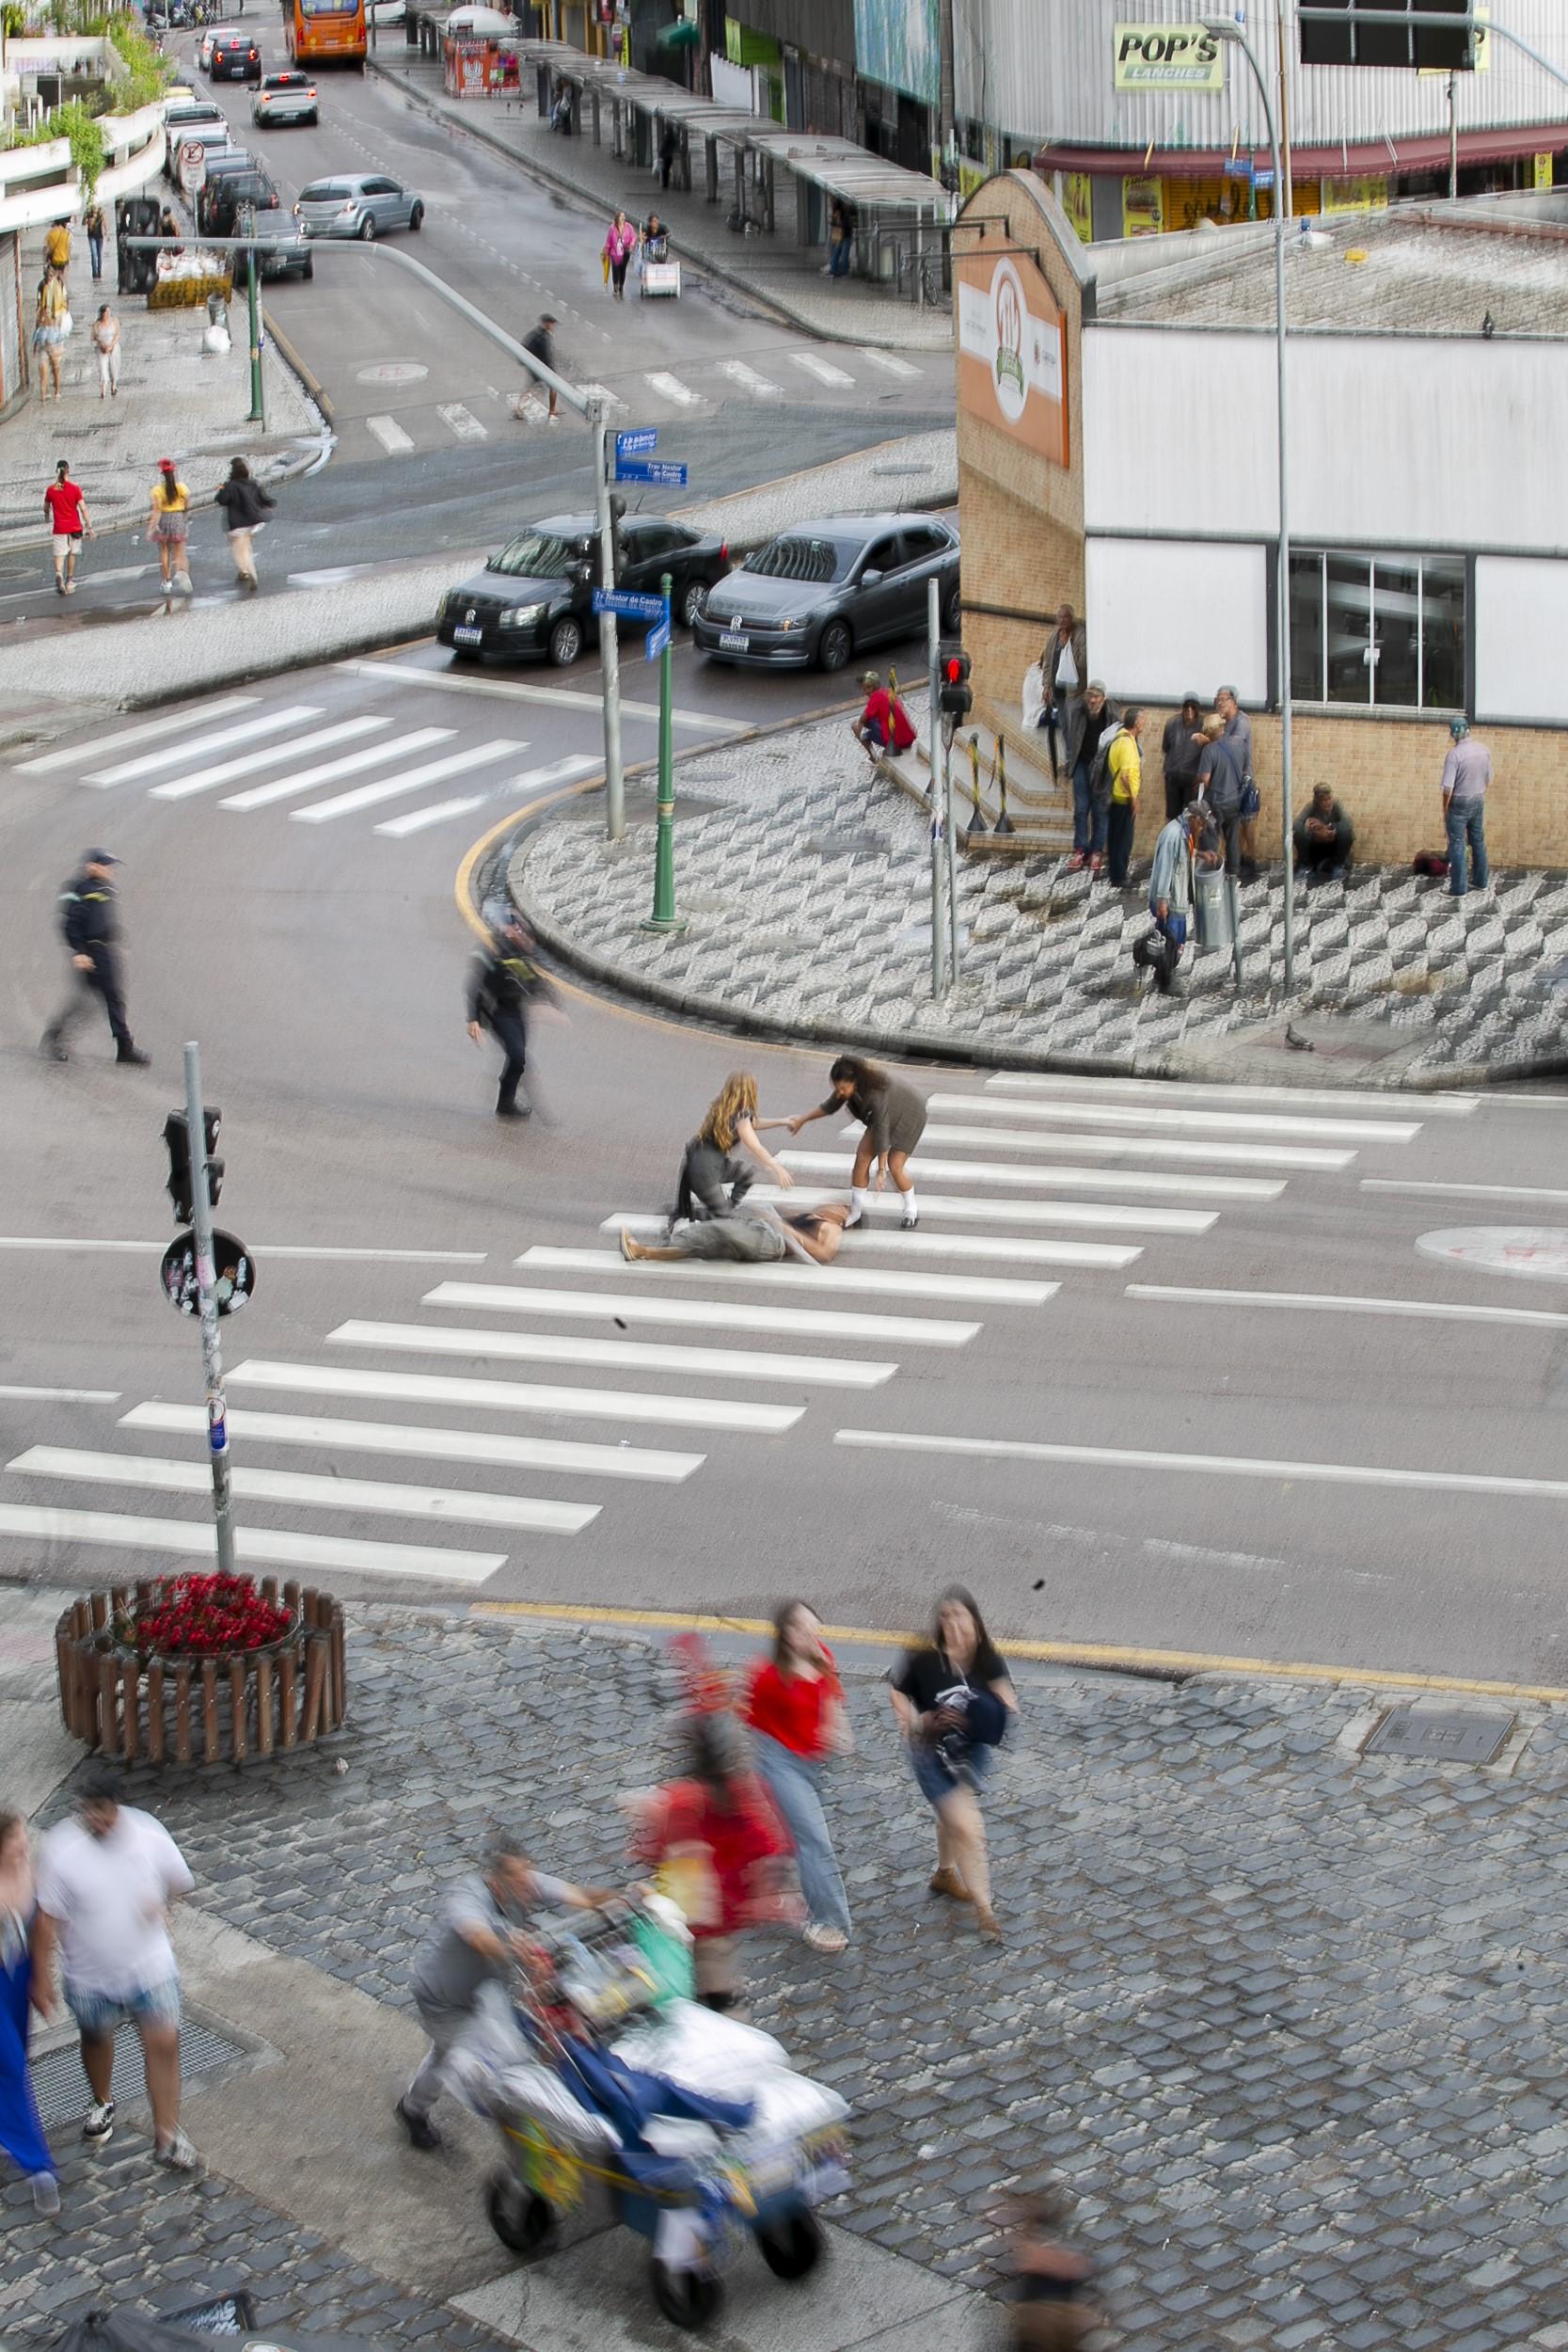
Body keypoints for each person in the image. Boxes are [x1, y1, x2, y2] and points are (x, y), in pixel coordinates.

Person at [398, 1831, 615, 2150]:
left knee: (496, 2051)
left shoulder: (526, 1881)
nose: (528, 1886)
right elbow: (477, 1936)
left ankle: (413, 2107)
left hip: (484, 1993)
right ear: (496, 1881)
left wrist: (624, 1897)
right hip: (442, 1998)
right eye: (518, 1878)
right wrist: (514, 1951)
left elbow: (580, 1896)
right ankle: (415, 2111)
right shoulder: (468, 1896)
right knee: (471, 2068)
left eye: (528, 1873)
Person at [33, 1766, 198, 2171]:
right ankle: (103, 2100)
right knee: (95, 2037)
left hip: (150, 1967)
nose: (97, 1818)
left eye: (104, 1810)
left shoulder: (149, 1835)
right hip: (90, 1975)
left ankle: (166, 2136)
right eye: (89, 1810)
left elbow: (179, 1882)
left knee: (163, 2042)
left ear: (118, 1806)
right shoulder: (61, 1849)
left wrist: (161, 1903)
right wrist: (41, 1975)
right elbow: (46, 1917)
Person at [626, 1709, 794, 2013]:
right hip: (721, 1920)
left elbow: (650, 1850)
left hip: (684, 1916)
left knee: (695, 1993)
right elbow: (770, 1845)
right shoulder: (743, 1795)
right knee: (721, 1991)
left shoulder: (679, 1800)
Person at [888, 1588, 1016, 1943]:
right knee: (969, 1828)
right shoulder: (924, 1659)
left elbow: (1004, 1698)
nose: (952, 1623)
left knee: (951, 1820)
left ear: (975, 1621)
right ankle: (986, 1912)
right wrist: (913, 1719)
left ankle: (945, 1875)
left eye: (959, 1616)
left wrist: (998, 1707)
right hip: (929, 1753)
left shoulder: (987, 1659)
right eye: (945, 1617)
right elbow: (897, 1690)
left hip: (970, 1752)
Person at [742, 1603, 853, 1955]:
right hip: (781, 1764)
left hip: (812, 1762)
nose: (813, 1636)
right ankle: (829, 1920)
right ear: (787, 1635)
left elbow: (833, 1696)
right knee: (815, 1843)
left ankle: (763, 1879)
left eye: (815, 1628)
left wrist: (837, 1731)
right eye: (805, 1630)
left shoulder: (821, 1657)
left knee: (796, 1837)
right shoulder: (767, 1676)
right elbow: (748, 1723)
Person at [785, 1054, 927, 1231]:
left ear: (855, 1081)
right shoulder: (847, 1089)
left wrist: (881, 1170)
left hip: (909, 1115)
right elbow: (829, 1106)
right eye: (837, 1089)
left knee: (895, 1165)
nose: (840, 1093)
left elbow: (882, 1130)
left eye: (843, 1088)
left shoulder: (876, 1095)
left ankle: (911, 1209)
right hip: (882, 1118)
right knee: (862, 1157)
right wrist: (802, 1120)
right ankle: (856, 1212)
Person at [39, 849, 150, 1067]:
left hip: (106, 952)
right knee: (87, 1003)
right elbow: (70, 924)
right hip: (90, 952)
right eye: (106, 865)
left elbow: (103, 920)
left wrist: (116, 941)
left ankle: (124, 1049)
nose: (111, 870)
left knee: (114, 998)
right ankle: (55, 1039)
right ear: (92, 866)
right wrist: (79, 951)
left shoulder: (106, 888)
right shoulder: (79, 889)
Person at [0, 1810, 58, 2215]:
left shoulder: (29, 1872)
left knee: (17, 2052)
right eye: (15, 1839)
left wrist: (41, 1978)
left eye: (23, 1836)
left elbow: (42, 1928)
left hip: (17, 1977)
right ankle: (37, 2165)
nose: (24, 1844)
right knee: (11, 2065)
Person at [667, 1070, 796, 1226]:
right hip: (705, 1172)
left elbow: (752, 1123)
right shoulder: (739, 1116)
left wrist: (782, 1121)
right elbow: (755, 1146)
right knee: (722, 1219)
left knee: (747, 1173)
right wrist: (776, 1167)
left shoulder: (723, 1107)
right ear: (750, 1091)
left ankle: (726, 1208)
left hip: (700, 1162)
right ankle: (696, 1216)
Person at [466, 909, 556, 1120]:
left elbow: (533, 980)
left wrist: (549, 1002)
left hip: (516, 1010)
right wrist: (474, 1019)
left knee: (519, 1058)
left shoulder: (521, 953)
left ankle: (506, 1102)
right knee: (517, 1056)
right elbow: (475, 987)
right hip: (496, 1010)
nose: (520, 932)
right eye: (515, 928)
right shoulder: (493, 952)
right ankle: (507, 1102)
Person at [1003, 2187, 1099, 2351]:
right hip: (1051, 2303)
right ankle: (1038, 2217)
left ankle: (1037, 2217)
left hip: (1049, 2302)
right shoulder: (1067, 2266)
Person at [622, 1200, 853, 1266]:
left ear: (844, 1216)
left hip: (772, 1241)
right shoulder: (816, 1215)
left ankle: (659, 1243)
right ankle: (643, 1251)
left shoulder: (833, 1229)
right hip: (761, 1230)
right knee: (704, 1247)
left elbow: (824, 1253)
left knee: (718, 1229)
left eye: (840, 1206)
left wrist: (784, 1227)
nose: (832, 1204)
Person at [1143, 798, 1210, 994]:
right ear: (1194, 819)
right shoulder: (1173, 835)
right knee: (1171, 941)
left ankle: (1163, 975)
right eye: (1202, 824)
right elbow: (1165, 869)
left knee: (1173, 939)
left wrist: (1201, 855)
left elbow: (1183, 855)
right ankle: (1165, 982)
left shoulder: (1184, 833)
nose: (1203, 828)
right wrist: (1163, 901)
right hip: (1170, 901)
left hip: (1176, 899)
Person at [1063, 682, 1117, 873]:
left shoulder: (1112, 715)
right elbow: (1071, 740)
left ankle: (1096, 850)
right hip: (1082, 765)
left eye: (1096, 696)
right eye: (1090, 696)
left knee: (1100, 810)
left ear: (1104, 698)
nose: (1092, 700)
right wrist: (1069, 764)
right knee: (1081, 809)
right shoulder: (1078, 711)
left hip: (1102, 770)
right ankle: (1080, 849)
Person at [1440, 716, 1491, 898]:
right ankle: (1480, 881)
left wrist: (1445, 808)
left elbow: (1448, 787)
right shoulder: (1484, 750)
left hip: (1459, 802)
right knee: (1477, 840)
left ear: (1454, 734)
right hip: (1478, 798)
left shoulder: (1454, 755)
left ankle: (1458, 888)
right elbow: (1488, 778)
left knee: (1458, 844)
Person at [1037, 604, 1086, 782]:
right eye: (1059, 617)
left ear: (1071, 618)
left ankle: (1075, 762)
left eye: (1065, 617)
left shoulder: (1080, 635)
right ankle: (1069, 759)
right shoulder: (1054, 635)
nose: (1062, 621)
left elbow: (1082, 663)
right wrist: (1046, 685)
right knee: (1065, 727)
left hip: (1074, 692)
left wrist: (1068, 647)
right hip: (1058, 691)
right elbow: (1048, 662)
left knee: (1074, 728)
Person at [214, 456, 274, 592]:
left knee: (238, 550)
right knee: (246, 546)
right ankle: (246, 571)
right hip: (254, 522)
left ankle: (247, 571)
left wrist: (221, 489)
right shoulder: (253, 484)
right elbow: (264, 500)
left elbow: (222, 500)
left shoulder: (230, 486)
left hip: (237, 524)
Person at [1196, 712, 1245, 876]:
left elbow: (1205, 779)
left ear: (1210, 732)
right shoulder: (1238, 745)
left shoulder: (1209, 750)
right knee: (1232, 838)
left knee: (1211, 837)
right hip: (1235, 800)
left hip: (1216, 802)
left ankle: (1212, 872)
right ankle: (1233, 873)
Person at [1215, 685, 1258, 874]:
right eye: (1218, 699)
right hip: (1227, 779)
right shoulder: (1220, 723)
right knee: (1234, 821)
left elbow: (1234, 745)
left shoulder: (1242, 721)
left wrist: (1211, 739)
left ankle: (1252, 857)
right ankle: (1236, 857)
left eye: (1224, 699)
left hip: (1244, 776)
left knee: (1248, 819)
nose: (1220, 703)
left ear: (1234, 702)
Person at [1104, 707, 1143, 888]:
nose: (1145, 723)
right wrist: (1133, 798)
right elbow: (1126, 776)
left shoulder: (1119, 737)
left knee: (1115, 836)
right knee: (1123, 839)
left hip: (1116, 795)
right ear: (1136, 723)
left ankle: (1115, 872)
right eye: (1143, 720)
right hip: (1123, 797)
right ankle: (1120, 876)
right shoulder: (1127, 743)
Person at [43, 461, 92, 596]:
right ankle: (69, 580)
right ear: (68, 471)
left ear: (56, 471)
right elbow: (83, 508)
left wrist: (47, 517)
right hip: (75, 527)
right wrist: (89, 526)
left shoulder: (51, 490)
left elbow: (46, 507)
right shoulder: (75, 488)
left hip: (59, 527)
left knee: (59, 554)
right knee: (72, 553)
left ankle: (59, 573)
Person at [1293, 784, 1354, 882]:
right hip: (1315, 845)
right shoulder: (1311, 806)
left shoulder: (1337, 804)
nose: (1328, 803)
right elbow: (1296, 824)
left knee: (1347, 834)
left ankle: (1338, 866)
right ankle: (1304, 865)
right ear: (1317, 802)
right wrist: (1314, 833)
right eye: (1324, 800)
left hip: (1333, 844)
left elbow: (1348, 823)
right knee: (1298, 835)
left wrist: (1328, 827)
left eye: (1329, 799)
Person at [148, 459, 191, 595]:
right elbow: (187, 504)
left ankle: (167, 581)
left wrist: (151, 528)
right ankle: (182, 573)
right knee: (179, 551)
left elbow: (156, 511)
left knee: (164, 551)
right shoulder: (182, 488)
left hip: (164, 520)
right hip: (178, 519)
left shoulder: (157, 490)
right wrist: (185, 515)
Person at [852, 670, 916, 761]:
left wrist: (859, 732)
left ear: (872, 687)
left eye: (867, 688)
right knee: (871, 720)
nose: (865, 692)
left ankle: (873, 756)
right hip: (909, 739)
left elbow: (863, 719)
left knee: (856, 726)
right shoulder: (888, 692)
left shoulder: (875, 698)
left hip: (896, 744)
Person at [1160, 692, 1204, 819]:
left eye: (1193, 707)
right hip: (1173, 776)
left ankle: (1189, 840)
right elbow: (1166, 747)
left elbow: (1208, 751)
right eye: (1186, 706)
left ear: (1197, 709)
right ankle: (1174, 839)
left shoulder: (1203, 725)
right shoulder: (1172, 723)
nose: (1189, 710)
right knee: (1172, 816)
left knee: (1191, 816)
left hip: (1193, 779)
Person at [33, 268, 69, 402]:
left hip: (56, 332)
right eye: (47, 275)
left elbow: (65, 301)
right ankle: (43, 392)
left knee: (55, 366)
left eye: (51, 275)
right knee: (43, 368)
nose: (49, 277)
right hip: (44, 335)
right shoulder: (42, 286)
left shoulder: (60, 284)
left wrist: (62, 319)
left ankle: (57, 390)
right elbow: (38, 303)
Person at [521, 312, 559, 424]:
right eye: (551, 324)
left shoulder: (535, 334)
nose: (553, 326)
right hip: (541, 368)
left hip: (534, 366)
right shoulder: (543, 337)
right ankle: (552, 411)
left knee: (531, 388)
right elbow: (546, 356)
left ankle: (518, 408)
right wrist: (551, 369)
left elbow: (525, 347)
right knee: (553, 387)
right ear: (546, 323)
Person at [604, 209, 638, 300]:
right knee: (615, 270)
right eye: (621, 216)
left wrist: (631, 245)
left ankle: (621, 287)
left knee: (623, 270)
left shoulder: (629, 227)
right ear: (617, 218)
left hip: (625, 252)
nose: (623, 218)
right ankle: (615, 287)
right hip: (615, 252)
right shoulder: (612, 228)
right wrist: (606, 250)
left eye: (624, 216)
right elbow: (609, 240)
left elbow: (633, 237)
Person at [91, 302, 119, 399]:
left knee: (113, 367)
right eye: (105, 312)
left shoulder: (114, 321)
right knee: (103, 368)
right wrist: (102, 345)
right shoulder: (97, 324)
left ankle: (113, 386)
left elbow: (117, 335)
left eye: (108, 312)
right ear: (101, 313)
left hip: (113, 346)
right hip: (101, 348)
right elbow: (93, 337)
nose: (107, 314)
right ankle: (103, 390)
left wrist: (111, 345)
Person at [825, 198, 852, 278]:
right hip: (840, 236)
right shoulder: (838, 214)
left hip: (846, 236)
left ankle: (843, 271)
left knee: (843, 254)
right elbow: (834, 225)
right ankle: (834, 270)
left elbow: (845, 226)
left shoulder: (845, 215)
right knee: (836, 253)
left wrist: (838, 219)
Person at [85, 202, 105, 280]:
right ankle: (94, 273)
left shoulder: (101, 214)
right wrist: (86, 219)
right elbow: (83, 223)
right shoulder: (88, 214)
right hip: (91, 237)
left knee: (99, 255)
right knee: (94, 254)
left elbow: (104, 223)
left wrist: (107, 233)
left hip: (99, 237)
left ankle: (99, 272)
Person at [657, 119, 679, 191]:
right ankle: (665, 183)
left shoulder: (668, 136)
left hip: (665, 156)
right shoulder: (673, 136)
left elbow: (663, 146)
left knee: (665, 170)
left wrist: (660, 154)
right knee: (666, 170)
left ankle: (665, 184)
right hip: (669, 156)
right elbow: (675, 145)